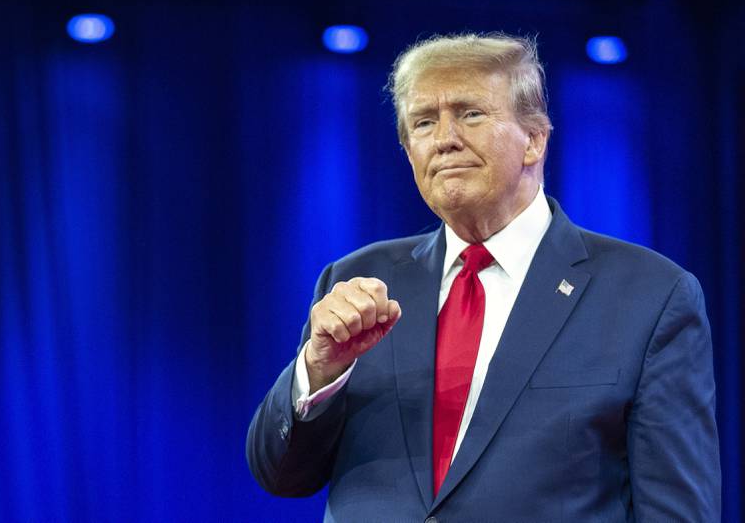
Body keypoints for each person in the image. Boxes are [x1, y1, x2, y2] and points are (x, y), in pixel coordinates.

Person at [246, 33, 720, 522]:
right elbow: (279, 474)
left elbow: (677, 509)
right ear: (410, 153)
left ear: (534, 139)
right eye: (424, 122)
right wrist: (320, 369)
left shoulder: (649, 295)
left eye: (470, 114)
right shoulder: (357, 282)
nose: (445, 138)